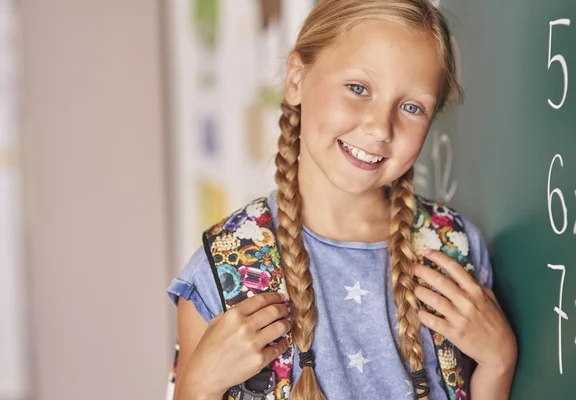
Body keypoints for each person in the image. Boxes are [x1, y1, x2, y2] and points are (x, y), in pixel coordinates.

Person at [167, 1, 517, 399]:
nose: (379, 127)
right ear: (297, 77)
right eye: (358, 88)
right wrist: (198, 385)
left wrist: (499, 361)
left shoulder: (453, 251)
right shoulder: (224, 269)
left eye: (411, 107)